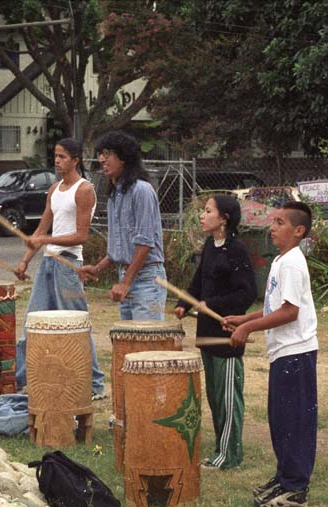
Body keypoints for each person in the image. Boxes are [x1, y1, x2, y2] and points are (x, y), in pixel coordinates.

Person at [223, 201, 318, 507]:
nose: (272, 227)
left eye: (279, 222)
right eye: (273, 221)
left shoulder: (292, 262)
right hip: (282, 354)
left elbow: (290, 312)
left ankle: (295, 488)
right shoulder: (281, 261)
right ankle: (284, 476)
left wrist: (249, 330)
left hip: (295, 354)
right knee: (280, 420)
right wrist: (244, 319)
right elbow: (274, 308)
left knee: (294, 421)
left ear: (298, 230)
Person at [14, 138, 106, 399]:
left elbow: (81, 235)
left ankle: (96, 384)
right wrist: (25, 260)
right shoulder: (54, 189)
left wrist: (46, 240)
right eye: (55, 156)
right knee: (32, 323)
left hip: (68, 264)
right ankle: (19, 381)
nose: (57, 161)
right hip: (48, 263)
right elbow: (40, 230)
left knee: (77, 326)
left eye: (62, 156)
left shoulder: (84, 189)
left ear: (75, 159)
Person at [174, 195, 256, 470]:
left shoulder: (237, 249)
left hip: (226, 333)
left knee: (228, 399)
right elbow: (199, 282)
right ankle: (222, 449)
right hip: (207, 333)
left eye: (208, 211)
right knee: (214, 397)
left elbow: (247, 293)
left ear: (224, 219)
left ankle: (229, 456)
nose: (202, 216)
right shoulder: (211, 245)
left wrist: (214, 305)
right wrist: (184, 304)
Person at [79, 131, 167, 320]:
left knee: (145, 344)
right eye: (100, 153)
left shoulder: (142, 190)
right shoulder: (114, 195)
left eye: (108, 153)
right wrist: (97, 268)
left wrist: (126, 283)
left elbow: (144, 243)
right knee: (127, 342)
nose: (102, 159)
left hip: (147, 278)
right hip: (126, 274)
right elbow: (119, 247)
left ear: (124, 158)